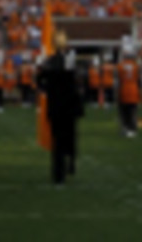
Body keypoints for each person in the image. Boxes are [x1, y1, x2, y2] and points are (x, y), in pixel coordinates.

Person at [37, 29, 83, 186]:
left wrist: (48, 91)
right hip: (69, 106)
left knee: (57, 142)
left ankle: (58, 176)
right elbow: (79, 83)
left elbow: (39, 82)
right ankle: (70, 161)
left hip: (55, 106)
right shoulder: (70, 62)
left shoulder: (48, 62)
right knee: (70, 137)